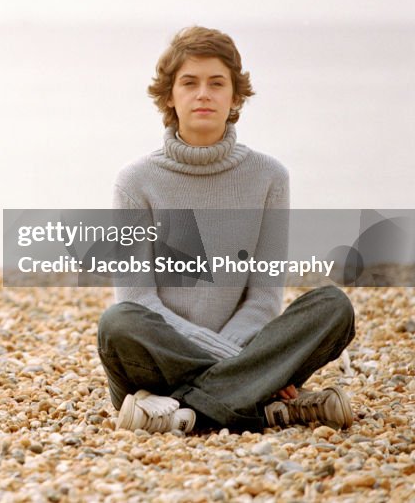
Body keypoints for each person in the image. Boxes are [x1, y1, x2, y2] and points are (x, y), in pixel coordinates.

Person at [97, 26, 355, 433]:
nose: (204, 93)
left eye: (217, 83)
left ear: (235, 96)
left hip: (242, 351)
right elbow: (140, 301)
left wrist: (239, 355)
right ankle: (267, 403)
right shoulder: (135, 182)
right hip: (161, 356)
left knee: (333, 308)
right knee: (118, 323)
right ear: (169, 96)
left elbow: (264, 299)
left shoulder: (269, 177)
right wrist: (242, 365)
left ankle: (176, 412)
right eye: (190, 83)